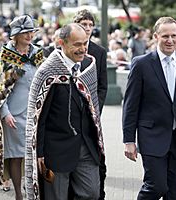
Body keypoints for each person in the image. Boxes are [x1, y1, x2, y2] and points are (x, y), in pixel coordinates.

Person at [122, 16, 176, 200]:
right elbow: (130, 105)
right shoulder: (141, 64)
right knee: (156, 186)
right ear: (156, 36)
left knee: (175, 192)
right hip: (152, 136)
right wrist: (129, 140)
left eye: (174, 36)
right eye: (165, 36)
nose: (170, 40)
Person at [25, 23, 104, 200]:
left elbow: (93, 110)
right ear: (62, 43)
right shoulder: (47, 72)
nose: (83, 49)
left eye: (85, 43)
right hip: (56, 151)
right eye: (77, 44)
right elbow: (38, 118)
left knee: (92, 192)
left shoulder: (88, 67)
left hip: (85, 147)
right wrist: (39, 152)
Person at [0, 14, 43, 200]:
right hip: (13, 115)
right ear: (15, 35)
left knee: (32, 155)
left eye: (31, 32)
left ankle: (31, 190)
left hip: (34, 112)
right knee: (15, 155)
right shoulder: (6, 57)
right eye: (25, 32)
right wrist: (5, 114)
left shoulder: (37, 54)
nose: (29, 36)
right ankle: (19, 194)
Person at [73, 9, 108, 200]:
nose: (87, 28)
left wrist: (96, 109)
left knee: (96, 155)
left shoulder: (99, 52)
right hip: (70, 113)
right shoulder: (66, 48)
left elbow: (103, 86)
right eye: (83, 24)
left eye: (90, 25)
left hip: (92, 115)